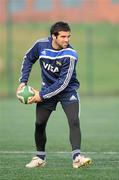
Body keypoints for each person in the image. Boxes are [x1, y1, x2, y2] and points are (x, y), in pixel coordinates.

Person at [17, 21, 91, 169]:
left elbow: (63, 83)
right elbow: (28, 59)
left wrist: (41, 96)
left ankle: (77, 157)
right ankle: (40, 158)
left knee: (74, 120)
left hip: (67, 91)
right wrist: (23, 82)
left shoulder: (70, 54)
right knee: (39, 123)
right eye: (63, 36)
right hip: (47, 89)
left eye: (68, 36)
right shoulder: (40, 45)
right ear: (53, 36)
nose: (67, 40)